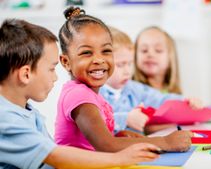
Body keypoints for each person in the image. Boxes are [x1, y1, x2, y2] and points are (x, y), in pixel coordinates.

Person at [0, 18, 160, 169]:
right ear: (26, 74)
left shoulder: (25, 112)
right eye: (51, 69)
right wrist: (120, 158)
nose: (55, 77)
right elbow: (55, 156)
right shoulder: (6, 120)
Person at [55, 6, 192, 153]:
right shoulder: (79, 95)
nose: (99, 60)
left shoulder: (93, 94)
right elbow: (107, 145)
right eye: (87, 53)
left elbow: (101, 140)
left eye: (106, 51)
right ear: (66, 62)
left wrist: (121, 136)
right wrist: (165, 142)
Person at [100, 27, 200, 134]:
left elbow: (161, 99)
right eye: (120, 65)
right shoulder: (95, 93)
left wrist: (186, 102)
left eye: (130, 64)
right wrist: (125, 119)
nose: (127, 71)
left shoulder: (134, 88)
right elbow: (92, 123)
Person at [134, 26, 182, 94]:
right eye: (144, 50)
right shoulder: (131, 91)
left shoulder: (173, 94)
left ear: (170, 57)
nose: (150, 54)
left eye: (158, 50)